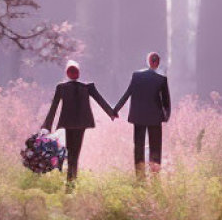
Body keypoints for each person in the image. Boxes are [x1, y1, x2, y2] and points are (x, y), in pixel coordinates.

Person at [42, 60, 116, 189]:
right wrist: (111, 113)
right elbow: (100, 100)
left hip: (69, 124)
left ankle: (70, 182)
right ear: (79, 73)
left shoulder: (62, 87)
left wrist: (47, 125)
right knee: (75, 153)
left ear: (67, 73)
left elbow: (54, 107)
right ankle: (71, 182)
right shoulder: (87, 87)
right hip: (81, 124)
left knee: (71, 152)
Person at [113, 51, 171, 179]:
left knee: (138, 147)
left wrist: (115, 110)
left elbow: (127, 94)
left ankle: (140, 178)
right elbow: (166, 102)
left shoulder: (137, 76)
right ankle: (155, 177)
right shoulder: (161, 79)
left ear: (148, 61)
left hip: (138, 117)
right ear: (158, 63)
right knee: (155, 148)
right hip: (155, 118)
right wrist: (166, 116)